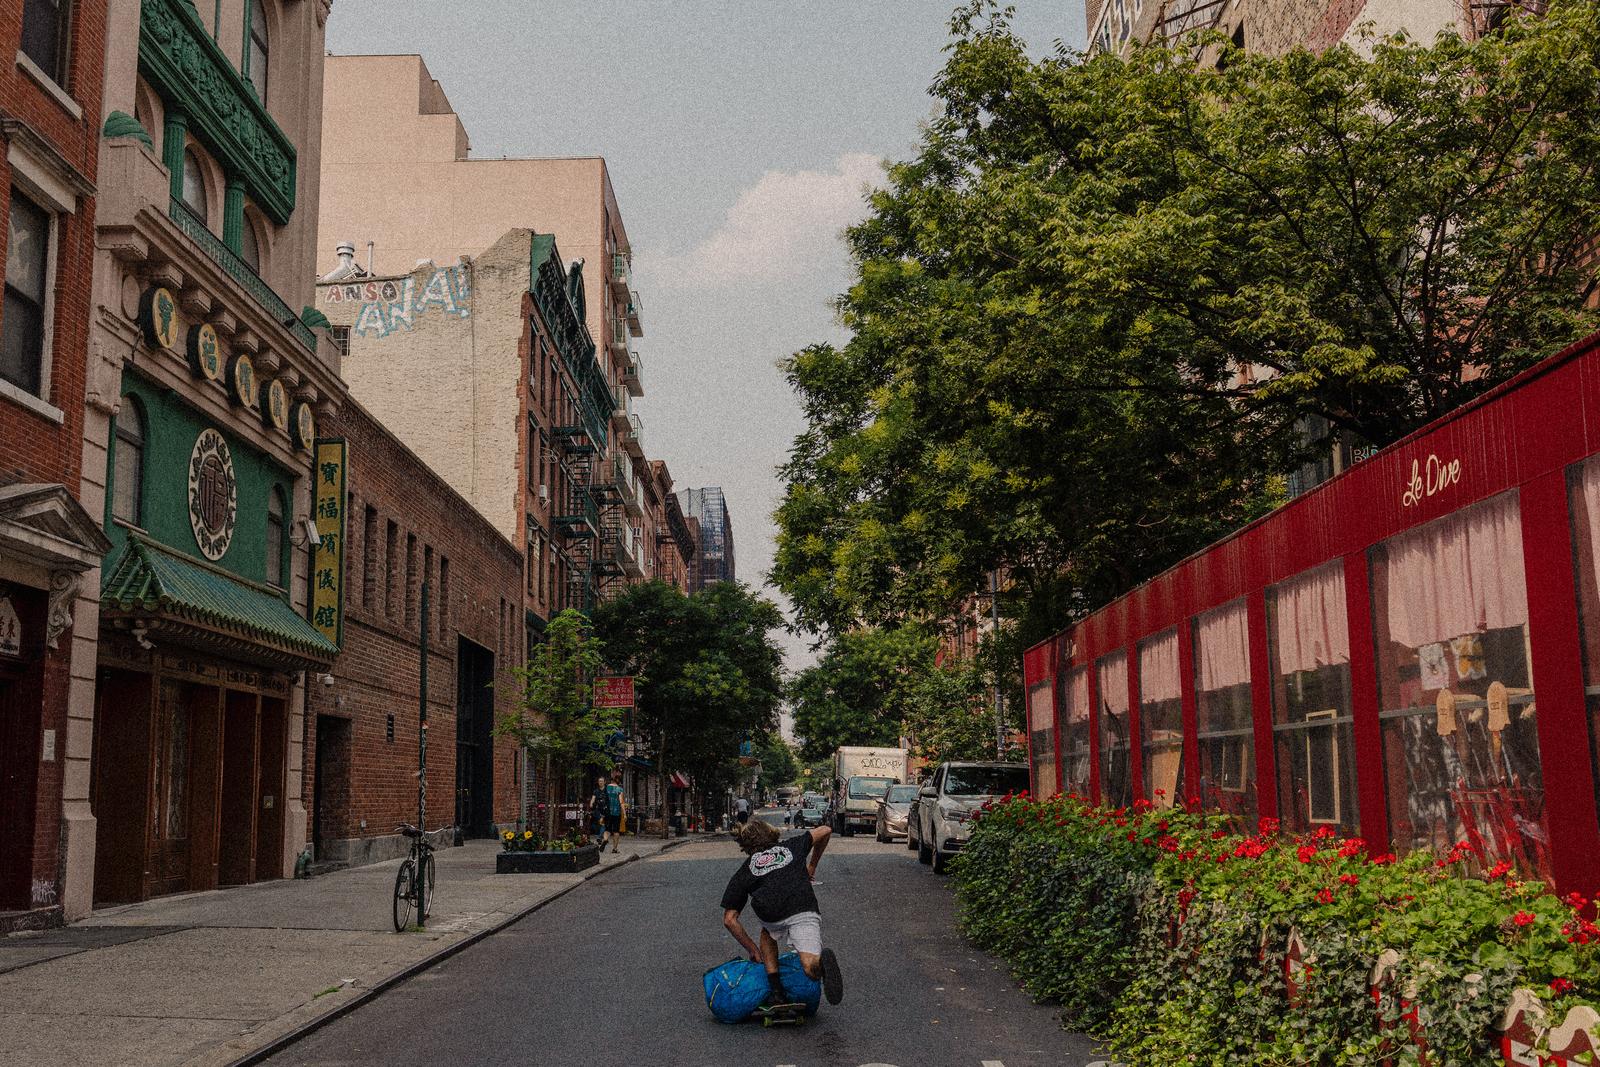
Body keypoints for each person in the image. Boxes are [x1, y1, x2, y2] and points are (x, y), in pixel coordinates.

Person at [720, 819, 843, 1008]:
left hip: (772, 915)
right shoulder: (792, 846)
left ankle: (776, 992)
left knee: (767, 932)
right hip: (803, 907)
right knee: (810, 968)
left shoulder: (745, 870)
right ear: (771, 833)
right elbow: (826, 830)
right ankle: (820, 965)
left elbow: (730, 919)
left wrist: (753, 949)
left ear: (746, 844)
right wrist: (812, 865)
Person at [603, 769, 626, 854]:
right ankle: (615, 849)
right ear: (619, 781)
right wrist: (624, 813)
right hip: (616, 812)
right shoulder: (619, 789)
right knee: (616, 831)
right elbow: (621, 802)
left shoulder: (606, 788)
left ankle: (605, 839)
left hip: (607, 812)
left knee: (607, 829)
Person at [586, 775, 607, 845]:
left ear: (604, 782)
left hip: (606, 809)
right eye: (599, 781)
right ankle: (600, 836)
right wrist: (591, 803)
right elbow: (593, 798)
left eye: (602, 781)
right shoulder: (596, 791)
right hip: (598, 809)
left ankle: (600, 837)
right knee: (600, 823)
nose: (600, 782)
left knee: (603, 823)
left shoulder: (607, 790)